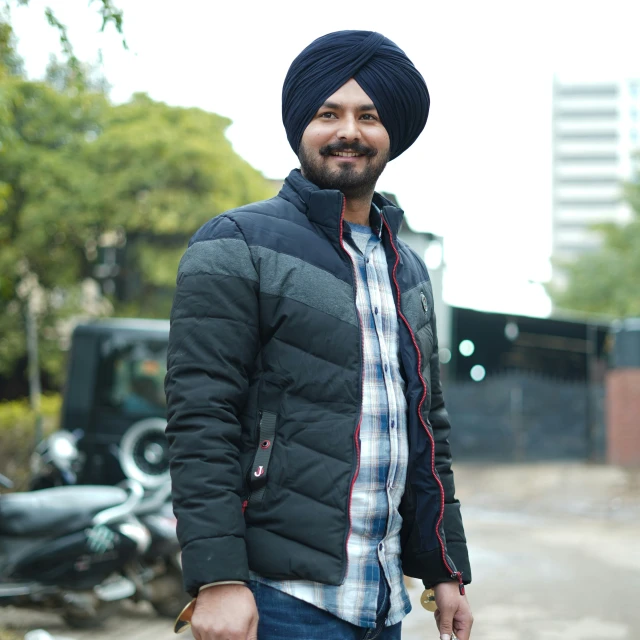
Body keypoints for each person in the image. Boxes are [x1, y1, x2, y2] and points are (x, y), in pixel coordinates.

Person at [165, 30, 473, 640]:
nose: (348, 131)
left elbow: (424, 430)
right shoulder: (237, 243)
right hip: (278, 598)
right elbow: (201, 418)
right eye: (328, 113)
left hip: (383, 603)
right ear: (301, 126)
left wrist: (444, 569)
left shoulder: (406, 268)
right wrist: (217, 578)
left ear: (392, 135)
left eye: (369, 116)